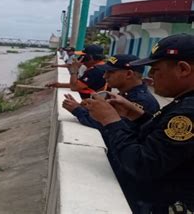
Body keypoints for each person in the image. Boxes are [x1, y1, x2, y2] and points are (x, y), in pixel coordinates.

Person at [82, 34, 194, 213]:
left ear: (183, 69)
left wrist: (111, 121)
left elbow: (142, 163)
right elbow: (166, 142)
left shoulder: (188, 112)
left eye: (155, 69)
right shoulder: (184, 102)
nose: (149, 76)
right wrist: (137, 115)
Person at [62, 54, 161, 212]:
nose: (105, 76)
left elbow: (107, 126)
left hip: (132, 176)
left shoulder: (142, 101)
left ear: (128, 74)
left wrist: (79, 111)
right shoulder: (124, 96)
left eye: (111, 72)